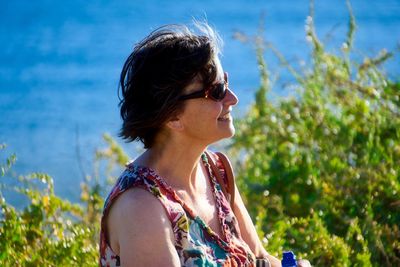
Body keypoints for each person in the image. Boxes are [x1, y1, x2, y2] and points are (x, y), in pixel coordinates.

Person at [99, 23, 311, 267]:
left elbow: (259, 259)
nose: (233, 98)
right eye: (217, 90)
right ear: (172, 116)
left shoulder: (216, 170)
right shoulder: (141, 208)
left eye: (226, 83)